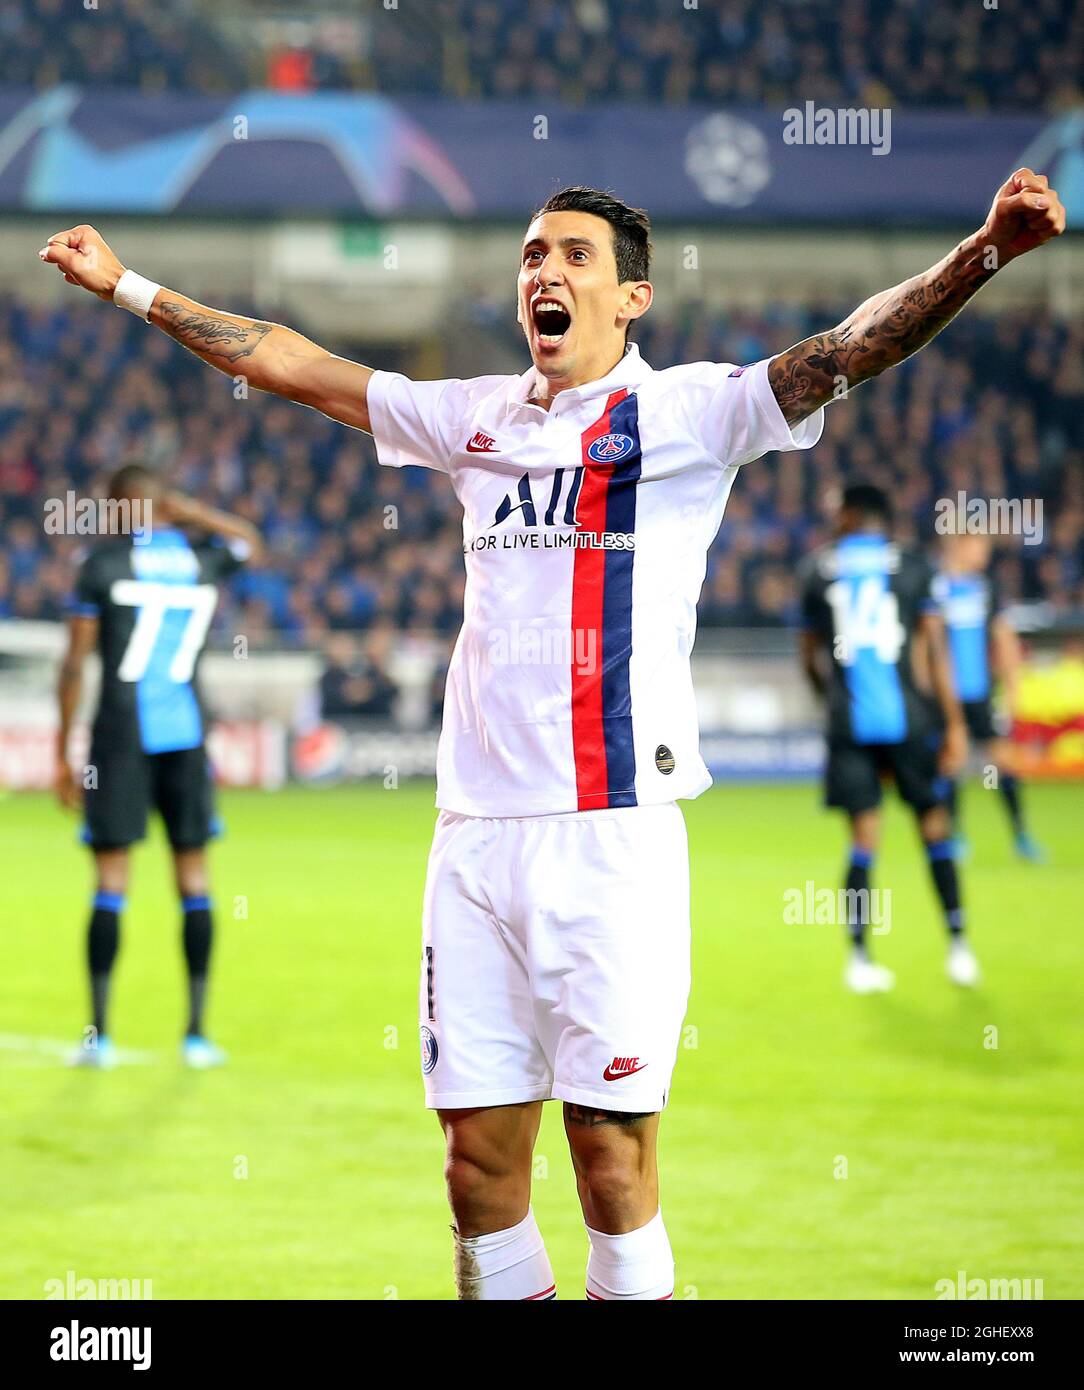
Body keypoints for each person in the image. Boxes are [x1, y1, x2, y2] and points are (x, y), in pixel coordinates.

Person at [39, 166, 1064, 1298]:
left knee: (609, 1163)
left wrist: (986, 251)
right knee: (476, 1169)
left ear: (631, 298)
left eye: (574, 255)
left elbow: (847, 347)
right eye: (533, 254)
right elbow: (283, 360)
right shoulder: (469, 414)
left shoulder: (689, 411)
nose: (545, 270)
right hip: (472, 841)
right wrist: (126, 285)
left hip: (609, 838)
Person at [56, 464, 262, 1069]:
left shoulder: (101, 566)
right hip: (187, 735)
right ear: (166, 501)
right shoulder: (204, 559)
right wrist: (190, 511)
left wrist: (62, 750)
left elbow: (73, 667)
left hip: (120, 736)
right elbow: (251, 541)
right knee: (194, 880)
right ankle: (196, 1036)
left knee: (111, 881)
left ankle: (100, 1039)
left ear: (120, 508)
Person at [799, 484, 978, 992]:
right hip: (910, 722)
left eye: (838, 511)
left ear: (853, 515)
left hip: (849, 726)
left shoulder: (816, 568)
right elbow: (935, 653)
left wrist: (829, 702)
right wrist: (956, 726)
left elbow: (807, 654)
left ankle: (858, 959)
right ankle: (959, 945)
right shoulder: (915, 565)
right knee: (935, 829)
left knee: (863, 840)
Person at [939, 532, 1045, 861]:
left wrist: (1013, 687)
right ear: (958, 545)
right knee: (951, 765)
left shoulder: (986, 589)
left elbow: (1003, 636)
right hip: (948, 697)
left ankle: (1021, 835)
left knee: (1000, 764)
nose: (983, 554)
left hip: (981, 694)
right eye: (978, 546)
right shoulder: (936, 589)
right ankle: (954, 837)